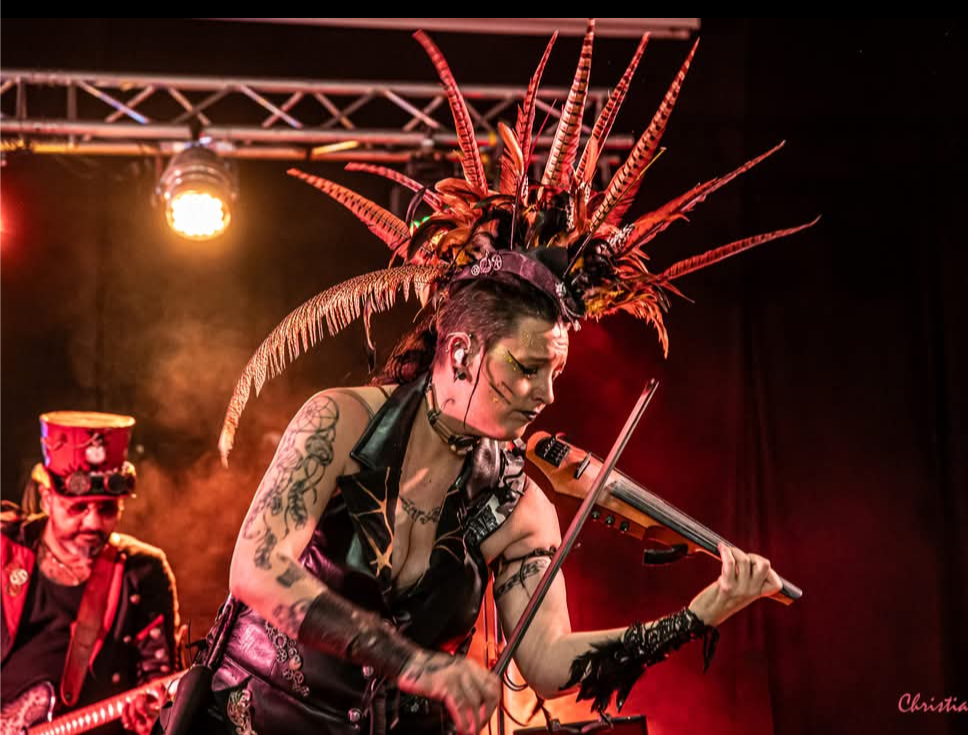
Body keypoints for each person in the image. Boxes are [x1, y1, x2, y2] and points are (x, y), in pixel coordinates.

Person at [162, 21, 814, 735]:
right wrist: (415, 663)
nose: (547, 393)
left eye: (555, 371)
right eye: (528, 367)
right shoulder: (339, 421)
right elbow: (257, 569)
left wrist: (700, 613)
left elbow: (550, 662)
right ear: (463, 353)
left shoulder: (518, 505)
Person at [0, 411, 181, 735]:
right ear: (46, 499)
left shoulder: (143, 571)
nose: (93, 523)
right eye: (78, 508)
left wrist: (154, 713)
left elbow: (162, 684)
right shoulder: (5, 549)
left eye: (107, 508)